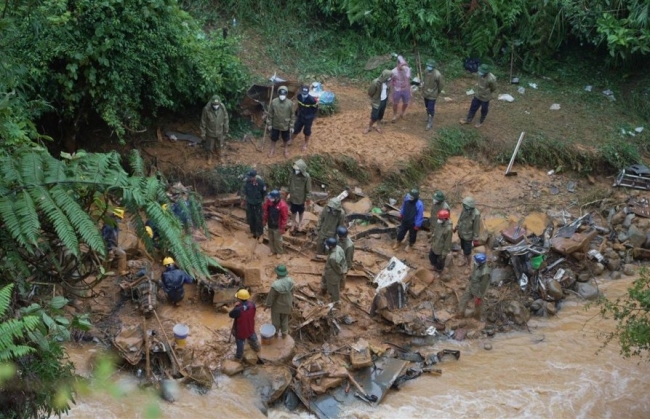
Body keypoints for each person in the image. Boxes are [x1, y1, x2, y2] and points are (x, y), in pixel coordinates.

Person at [229, 289, 261, 361]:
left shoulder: (238, 309)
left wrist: (235, 307)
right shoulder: (252, 304)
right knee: (252, 334)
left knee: (240, 342)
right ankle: (257, 347)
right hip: (250, 325)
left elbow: (231, 315)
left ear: (239, 298)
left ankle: (238, 356)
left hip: (241, 329)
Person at [457, 253, 491, 319]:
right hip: (471, 286)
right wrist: (471, 277)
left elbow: (483, 285)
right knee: (464, 299)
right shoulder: (477, 264)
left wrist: (479, 296)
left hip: (478, 291)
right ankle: (460, 314)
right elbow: (474, 271)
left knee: (478, 306)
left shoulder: (485, 272)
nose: (474, 261)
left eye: (475, 260)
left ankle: (477, 318)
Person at [265, 265, 294, 338]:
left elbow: (271, 297)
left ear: (277, 273)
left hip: (277, 306)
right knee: (285, 319)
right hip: (287, 304)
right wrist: (291, 301)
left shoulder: (275, 285)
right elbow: (292, 292)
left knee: (276, 320)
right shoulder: (290, 281)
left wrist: (267, 305)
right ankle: (284, 333)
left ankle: (276, 333)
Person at [454, 196, 481, 271]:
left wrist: (476, 238)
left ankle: (469, 265)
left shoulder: (476, 214)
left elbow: (476, 227)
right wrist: (456, 227)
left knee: (468, 251)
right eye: (464, 206)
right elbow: (460, 219)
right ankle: (464, 260)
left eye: (467, 206)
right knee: (462, 248)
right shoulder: (465, 210)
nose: (465, 207)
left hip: (468, 236)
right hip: (462, 233)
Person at [267, 85, 295, 158]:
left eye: (284, 94)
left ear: (286, 94)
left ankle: (285, 150)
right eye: (281, 94)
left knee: (286, 138)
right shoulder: (274, 102)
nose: (282, 96)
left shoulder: (290, 103)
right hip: (275, 124)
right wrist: (269, 124)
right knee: (273, 138)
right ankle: (272, 149)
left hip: (286, 125)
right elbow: (270, 114)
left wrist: (291, 126)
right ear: (278, 93)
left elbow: (292, 115)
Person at [199, 95, 229, 163]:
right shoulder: (206, 109)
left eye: (217, 104)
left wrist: (226, 129)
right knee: (209, 147)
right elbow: (203, 122)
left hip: (220, 131)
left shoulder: (222, 107)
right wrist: (203, 134)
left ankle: (220, 157)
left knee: (220, 145)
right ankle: (209, 157)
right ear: (211, 103)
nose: (216, 106)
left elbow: (226, 118)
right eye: (214, 104)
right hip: (210, 132)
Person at [240, 169, 267, 242]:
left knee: (259, 219)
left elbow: (264, 193)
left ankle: (260, 234)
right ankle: (253, 232)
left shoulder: (261, 183)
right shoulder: (247, 182)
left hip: (258, 203)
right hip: (249, 203)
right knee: (250, 218)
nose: (248, 178)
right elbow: (244, 192)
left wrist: (264, 203)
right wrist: (243, 200)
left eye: (250, 177)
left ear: (254, 177)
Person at [262, 190, 289, 258]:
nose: (270, 199)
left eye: (272, 198)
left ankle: (279, 252)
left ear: (277, 198)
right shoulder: (269, 202)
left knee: (278, 240)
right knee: (271, 238)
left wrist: (283, 227)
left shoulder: (283, 206)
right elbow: (266, 211)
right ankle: (272, 250)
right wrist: (264, 220)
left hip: (278, 226)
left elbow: (285, 218)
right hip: (270, 223)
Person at [364, 69, 392, 134]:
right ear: (385, 76)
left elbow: (388, 90)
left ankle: (377, 126)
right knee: (374, 117)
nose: (390, 78)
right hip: (377, 102)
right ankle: (369, 127)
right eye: (389, 76)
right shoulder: (375, 82)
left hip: (384, 101)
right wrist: (373, 99)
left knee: (380, 115)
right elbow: (370, 92)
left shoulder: (388, 83)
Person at [291, 85, 318, 151]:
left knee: (307, 131)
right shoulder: (299, 96)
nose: (304, 94)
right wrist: (297, 112)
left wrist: (311, 117)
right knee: (296, 127)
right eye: (303, 93)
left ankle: (305, 143)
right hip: (300, 115)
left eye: (305, 93)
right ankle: (291, 139)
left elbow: (315, 109)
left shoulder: (312, 100)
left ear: (308, 92)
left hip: (308, 117)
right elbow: (299, 105)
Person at [288, 159, 312, 233]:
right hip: (293, 197)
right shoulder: (292, 174)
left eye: (298, 169)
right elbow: (288, 184)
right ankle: (293, 224)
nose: (296, 171)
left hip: (301, 198)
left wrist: (308, 199)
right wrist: (287, 193)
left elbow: (308, 189)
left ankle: (300, 224)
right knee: (293, 211)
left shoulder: (306, 177)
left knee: (301, 212)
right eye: (295, 169)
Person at [321, 237, 347, 303]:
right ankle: (324, 289)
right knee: (324, 278)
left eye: (327, 245)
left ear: (331, 246)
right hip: (333, 269)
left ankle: (336, 301)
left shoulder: (333, 258)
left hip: (333, 274)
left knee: (334, 289)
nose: (326, 246)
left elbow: (337, 269)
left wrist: (341, 273)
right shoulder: (338, 248)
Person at [101, 208, 128, 275]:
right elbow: (105, 238)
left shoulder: (114, 224)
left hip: (113, 245)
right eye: (119, 218)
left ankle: (106, 271)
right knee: (122, 254)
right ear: (115, 216)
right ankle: (121, 271)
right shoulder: (108, 226)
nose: (120, 219)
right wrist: (110, 249)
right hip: (108, 246)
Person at [421, 60, 444, 131]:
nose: (429, 67)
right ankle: (428, 116)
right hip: (425, 93)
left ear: (433, 67)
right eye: (428, 66)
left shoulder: (437, 74)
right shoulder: (426, 71)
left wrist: (437, 92)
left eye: (430, 66)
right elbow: (424, 80)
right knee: (427, 106)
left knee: (431, 108)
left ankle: (430, 122)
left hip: (432, 94)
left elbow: (441, 85)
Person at [390, 55, 411, 122]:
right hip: (397, 89)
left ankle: (402, 113)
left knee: (406, 103)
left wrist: (410, 90)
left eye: (404, 64)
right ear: (398, 64)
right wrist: (391, 93)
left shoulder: (407, 69)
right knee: (395, 103)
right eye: (402, 65)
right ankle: (394, 115)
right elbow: (391, 82)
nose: (403, 66)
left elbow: (408, 79)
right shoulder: (393, 72)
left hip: (405, 89)